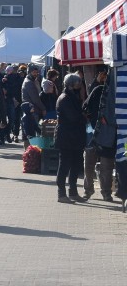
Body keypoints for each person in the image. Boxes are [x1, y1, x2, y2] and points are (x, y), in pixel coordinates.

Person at [55, 73, 88, 204]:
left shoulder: (73, 97)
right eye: (78, 83)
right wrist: (84, 116)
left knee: (76, 164)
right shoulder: (65, 98)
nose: (80, 85)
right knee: (64, 165)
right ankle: (61, 194)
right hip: (66, 136)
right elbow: (73, 117)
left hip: (75, 136)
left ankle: (73, 192)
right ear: (71, 84)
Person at [82, 83, 115, 201]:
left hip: (108, 135)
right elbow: (85, 107)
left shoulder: (117, 94)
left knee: (106, 166)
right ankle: (90, 190)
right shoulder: (98, 90)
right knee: (90, 164)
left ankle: (105, 192)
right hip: (94, 133)